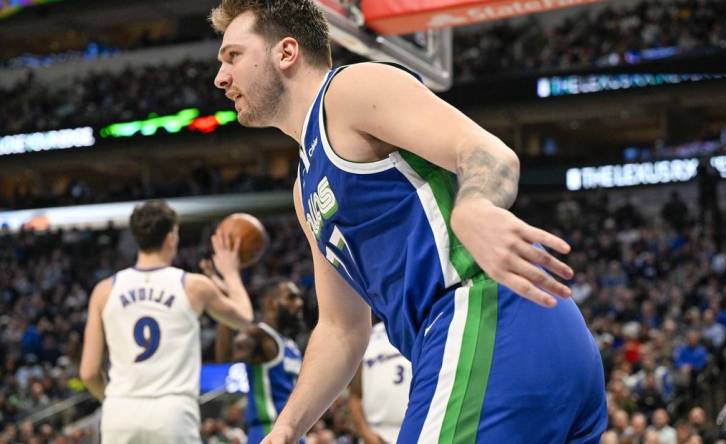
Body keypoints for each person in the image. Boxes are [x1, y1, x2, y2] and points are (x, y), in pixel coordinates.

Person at [209, 1, 606, 442]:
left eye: (233, 56)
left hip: (484, 312)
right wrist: (288, 426)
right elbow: (343, 328)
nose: (220, 77)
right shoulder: (305, 190)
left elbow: (488, 153)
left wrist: (474, 205)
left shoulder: (350, 90)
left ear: (286, 52)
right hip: (532, 335)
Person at [79, 200, 254, 443]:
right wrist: (231, 272)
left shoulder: (104, 290)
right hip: (172, 411)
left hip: (120, 412)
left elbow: (88, 373)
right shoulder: (193, 286)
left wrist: (111, 400)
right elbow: (245, 318)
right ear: (171, 237)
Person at [209, 271, 306, 444]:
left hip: (296, 431)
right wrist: (226, 311)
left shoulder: (291, 345)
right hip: (269, 430)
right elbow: (224, 356)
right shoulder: (258, 336)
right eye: (291, 298)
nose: (299, 303)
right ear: (271, 303)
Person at [348, 321, 412, 444]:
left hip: (418, 430)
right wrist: (367, 435)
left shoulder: (424, 328)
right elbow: (355, 396)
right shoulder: (366, 337)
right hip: (377, 434)